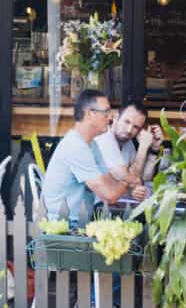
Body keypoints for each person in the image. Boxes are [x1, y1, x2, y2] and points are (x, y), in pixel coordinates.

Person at [42, 90, 142, 226]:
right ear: (90, 114)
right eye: (106, 112)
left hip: (81, 221)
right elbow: (109, 195)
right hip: (64, 228)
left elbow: (109, 181)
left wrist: (127, 181)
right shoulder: (75, 146)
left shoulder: (91, 144)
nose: (110, 118)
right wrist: (130, 180)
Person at [93, 100, 162, 201]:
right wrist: (143, 146)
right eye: (127, 122)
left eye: (136, 127)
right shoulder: (103, 139)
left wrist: (154, 149)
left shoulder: (127, 144)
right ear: (116, 117)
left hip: (112, 206)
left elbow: (144, 178)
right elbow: (129, 180)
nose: (129, 130)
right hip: (91, 210)